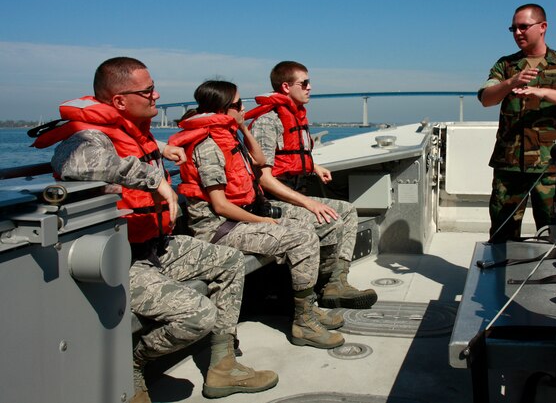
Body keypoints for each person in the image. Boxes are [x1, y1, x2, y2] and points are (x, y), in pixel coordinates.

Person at [31, 58, 278, 402]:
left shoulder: (135, 130)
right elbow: (78, 162)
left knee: (231, 262)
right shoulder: (86, 137)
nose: (156, 95)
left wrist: (162, 148)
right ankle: (131, 364)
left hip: (155, 243)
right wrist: (156, 179)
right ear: (119, 101)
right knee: (198, 315)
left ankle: (223, 366)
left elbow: (130, 146)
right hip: (122, 259)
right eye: (148, 91)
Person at [168, 80, 345, 349]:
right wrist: (264, 221)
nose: (244, 109)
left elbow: (260, 161)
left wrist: (240, 126)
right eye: (239, 105)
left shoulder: (229, 136)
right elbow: (220, 206)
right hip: (219, 228)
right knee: (302, 239)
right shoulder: (207, 145)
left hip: (240, 218)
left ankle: (306, 309)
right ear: (224, 108)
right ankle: (303, 322)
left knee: (311, 228)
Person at [245, 61, 377, 309]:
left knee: (347, 210)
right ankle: (315, 288)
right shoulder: (267, 122)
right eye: (304, 83)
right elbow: (263, 177)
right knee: (329, 219)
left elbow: (291, 155)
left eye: (309, 82)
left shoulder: (295, 115)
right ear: (286, 86)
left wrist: (313, 167)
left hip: (293, 193)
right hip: (271, 203)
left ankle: (336, 282)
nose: (310, 87)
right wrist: (309, 202)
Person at [478, 4, 556, 243]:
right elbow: (486, 99)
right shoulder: (506, 65)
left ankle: (553, 279)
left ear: (542, 27)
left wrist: (542, 92)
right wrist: (511, 82)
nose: (518, 32)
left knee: (554, 235)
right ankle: (499, 279)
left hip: (548, 165)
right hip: (509, 166)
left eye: (523, 27)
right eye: (514, 28)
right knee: (501, 234)